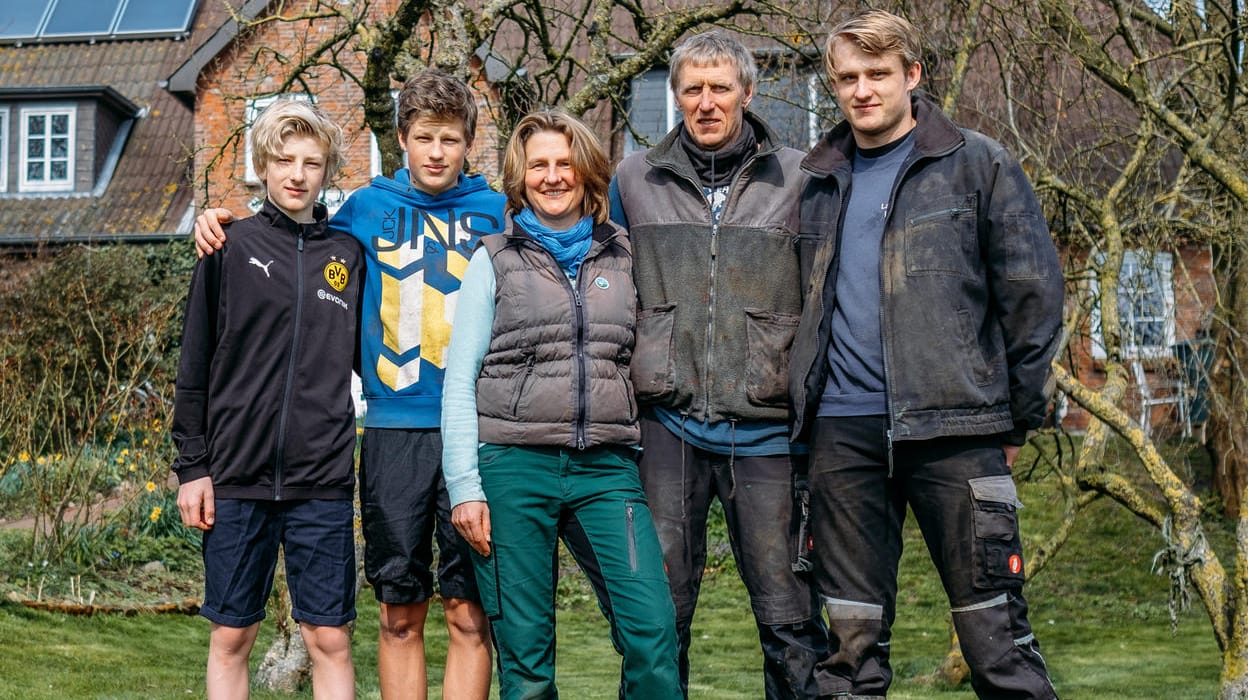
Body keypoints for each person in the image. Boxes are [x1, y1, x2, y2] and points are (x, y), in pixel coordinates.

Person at [192, 70, 502, 700]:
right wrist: (215, 219)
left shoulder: (500, 213)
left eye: (449, 138)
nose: (437, 152)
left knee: (470, 614)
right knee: (398, 612)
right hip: (393, 430)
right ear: (401, 141)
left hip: (478, 430)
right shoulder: (362, 212)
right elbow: (296, 236)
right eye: (423, 137)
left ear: (469, 142)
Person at [789, 10, 1063, 699]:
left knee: (996, 643)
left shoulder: (977, 164)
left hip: (956, 429)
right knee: (848, 654)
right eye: (847, 78)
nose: (862, 90)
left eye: (878, 74)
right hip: (842, 436)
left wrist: (1015, 420)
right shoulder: (817, 180)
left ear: (912, 75)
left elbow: (1032, 299)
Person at [608, 30, 827, 698]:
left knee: (788, 615)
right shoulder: (633, 178)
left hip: (764, 428)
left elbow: (821, 296)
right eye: (693, 90)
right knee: (658, 614)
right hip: (666, 427)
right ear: (675, 97)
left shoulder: (799, 177)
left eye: (720, 88)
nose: (706, 103)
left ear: (747, 93)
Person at [442, 109, 681, 699]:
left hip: (606, 470)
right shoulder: (492, 259)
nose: (552, 177)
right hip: (513, 468)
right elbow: (459, 379)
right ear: (520, 179)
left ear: (587, 171)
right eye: (538, 166)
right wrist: (465, 487)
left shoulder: (625, 257)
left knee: (653, 629)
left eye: (564, 162)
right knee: (525, 659)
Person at [172, 98, 362, 699]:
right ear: (262, 166)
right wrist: (192, 467)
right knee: (232, 635)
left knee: (329, 638)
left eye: (311, 162)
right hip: (235, 477)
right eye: (284, 160)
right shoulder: (225, 247)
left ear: (327, 170)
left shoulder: (349, 256)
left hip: (321, 480)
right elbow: (194, 363)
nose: (297, 174)